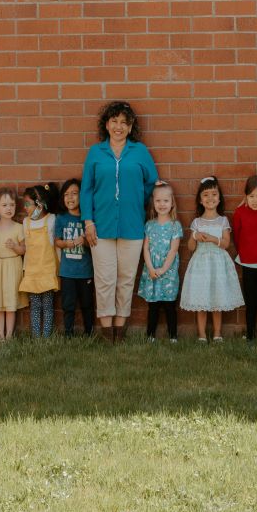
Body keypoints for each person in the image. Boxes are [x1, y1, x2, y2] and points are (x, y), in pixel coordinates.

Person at [81, 101, 158, 343]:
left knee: (125, 279)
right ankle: (106, 333)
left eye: (124, 122)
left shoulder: (140, 151)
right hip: (100, 227)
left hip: (132, 225)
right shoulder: (96, 152)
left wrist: (136, 204)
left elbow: (151, 183)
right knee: (105, 280)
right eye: (114, 121)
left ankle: (119, 331)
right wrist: (88, 222)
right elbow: (86, 189)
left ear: (131, 126)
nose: (118, 126)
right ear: (106, 124)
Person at [180, 176, 244, 341]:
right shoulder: (197, 222)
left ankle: (217, 333)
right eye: (206, 195)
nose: (210, 198)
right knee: (201, 300)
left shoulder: (223, 221)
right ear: (200, 200)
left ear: (219, 198)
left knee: (217, 299)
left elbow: (226, 244)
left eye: (214, 194)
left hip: (218, 264)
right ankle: (201, 334)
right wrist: (194, 236)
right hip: (201, 264)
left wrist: (211, 238)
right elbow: (191, 247)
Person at [136, 183, 182, 342]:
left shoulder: (175, 226)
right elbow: (146, 248)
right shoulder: (149, 225)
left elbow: (173, 250)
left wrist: (163, 269)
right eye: (158, 201)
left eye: (165, 201)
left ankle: (173, 337)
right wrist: (150, 267)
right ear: (153, 203)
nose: (162, 204)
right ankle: (150, 336)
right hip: (152, 271)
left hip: (167, 271)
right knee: (153, 306)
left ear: (172, 203)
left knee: (170, 306)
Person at [54, 179, 95, 337]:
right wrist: (67, 243)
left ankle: (89, 332)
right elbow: (57, 242)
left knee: (87, 304)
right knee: (68, 304)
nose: (69, 198)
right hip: (68, 271)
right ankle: (68, 332)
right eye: (66, 194)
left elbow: (94, 243)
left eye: (74, 194)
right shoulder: (61, 218)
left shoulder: (87, 219)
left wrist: (84, 241)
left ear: (82, 196)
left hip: (85, 271)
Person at [232, 175, 257, 341]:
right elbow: (236, 234)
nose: (255, 200)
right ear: (245, 196)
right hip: (247, 263)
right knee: (250, 302)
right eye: (251, 196)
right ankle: (250, 336)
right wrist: (244, 252)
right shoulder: (240, 212)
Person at [19, 184, 60, 338]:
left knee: (48, 306)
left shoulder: (51, 220)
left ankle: (47, 336)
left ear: (40, 205)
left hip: (47, 270)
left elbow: (56, 246)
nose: (25, 207)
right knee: (35, 306)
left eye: (28, 204)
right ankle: (36, 337)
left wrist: (59, 268)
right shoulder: (26, 222)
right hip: (32, 271)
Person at [0, 187, 26, 341]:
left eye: (12, 205)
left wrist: (15, 247)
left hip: (12, 268)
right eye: (4, 205)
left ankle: (9, 336)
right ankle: (1, 336)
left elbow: (23, 250)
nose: (8, 208)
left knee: (10, 304)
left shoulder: (18, 227)